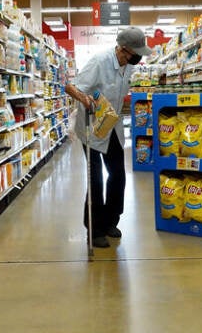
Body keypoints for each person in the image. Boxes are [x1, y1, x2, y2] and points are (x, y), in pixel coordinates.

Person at [65, 27, 154, 248]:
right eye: (136, 53)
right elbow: (70, 86)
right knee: (95, 179)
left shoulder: (128, 67)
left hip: (112, 126)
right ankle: (94, 230)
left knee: (117, 175)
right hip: (92, 129)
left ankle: (110, 220)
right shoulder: (99, 61)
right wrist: (84, 98)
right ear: (124, 50)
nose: (139, 57)